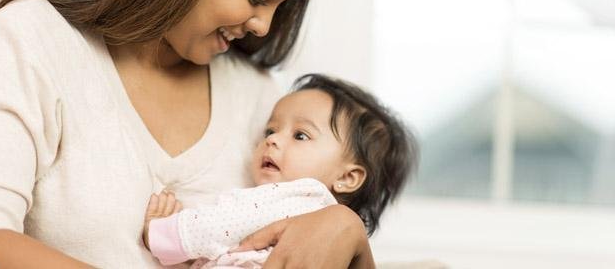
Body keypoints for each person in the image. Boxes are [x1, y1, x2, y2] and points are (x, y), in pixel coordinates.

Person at [0, 0, 381, 268]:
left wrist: (347, 228)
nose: (263, 26)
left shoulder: (258, 99)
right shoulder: (32, 41)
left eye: (281, 5)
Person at [141, 74, 417, 268]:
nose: (272, 140)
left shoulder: (299, 197)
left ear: (347, 178)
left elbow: (221, 225)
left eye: (300, 135)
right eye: (271, 130)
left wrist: (165, 234)